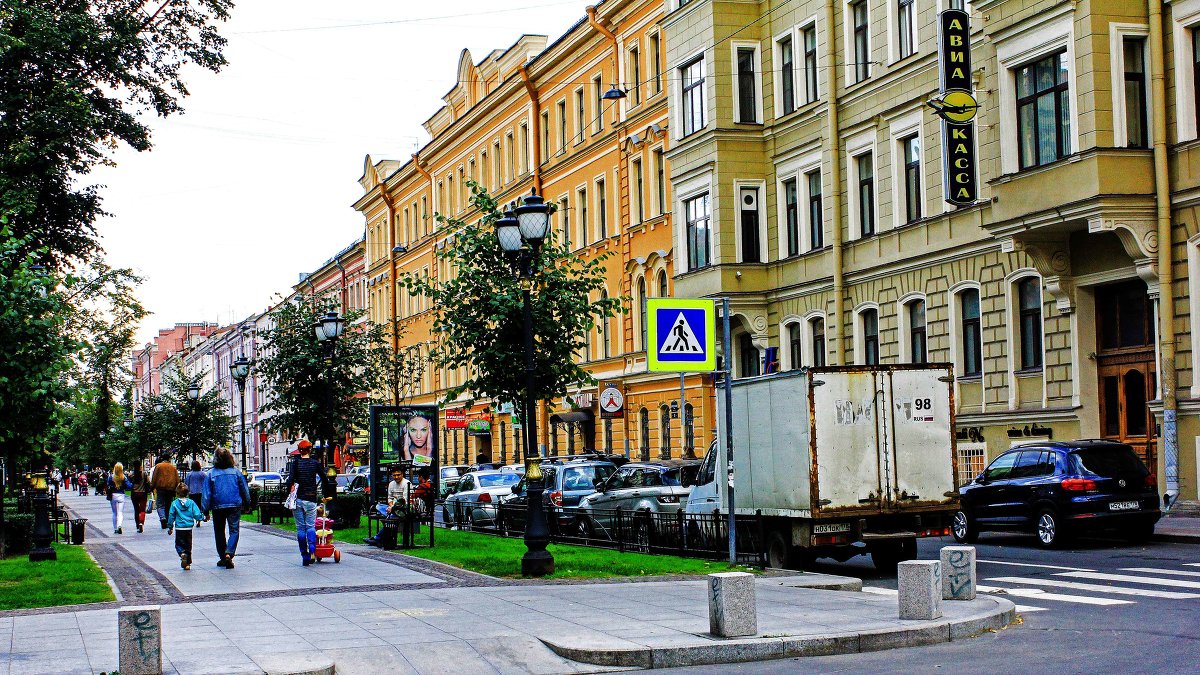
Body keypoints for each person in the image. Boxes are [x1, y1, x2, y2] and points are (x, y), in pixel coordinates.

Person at [203, 449, 250, 569]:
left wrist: (205, 509)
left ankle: (223, 557)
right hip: (234, 504)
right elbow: (244, 489)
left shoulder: (211, 473)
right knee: (234, 530)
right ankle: (229, 552)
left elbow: (207, 494)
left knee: (219, 531)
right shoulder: (236, 472)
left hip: (218, 505)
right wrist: (247, 503)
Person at [283, 440, 325, 566]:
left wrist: (288, 491)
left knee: (301, 528)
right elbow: (324, 478)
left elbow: (290, 480)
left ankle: (304, 555)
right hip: (311, 498)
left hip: (298, 499)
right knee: (311, 526)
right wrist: (325, 492)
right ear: (310, 450)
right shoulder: (314, 463)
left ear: (299, 450)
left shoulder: (295, 463)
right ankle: (312, 549)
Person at [363, 467, 411, 547]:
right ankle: (389, 516)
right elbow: (390, 498)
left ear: (402, 474)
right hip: (392, 508)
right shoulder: (391, 484)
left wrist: (392, 508)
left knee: (391, 518)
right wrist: (391, 507)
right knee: (379, 506)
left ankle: (377, 538)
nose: (396, 477)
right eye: (394, 475)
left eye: (398, 475)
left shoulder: (406, 483)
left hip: (402, 509)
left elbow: (405, 501)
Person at [167, 483, 205, 570]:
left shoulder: (174, 503)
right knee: (188, 545)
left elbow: (171, 515)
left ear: (177, 493)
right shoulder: (191, 503)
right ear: (187, 493)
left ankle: (182, 554)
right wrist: (202, 518)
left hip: (179, 527)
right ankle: (188, 563)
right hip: (188, 527)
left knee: (179, 544)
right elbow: (196, 514)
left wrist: (170, 526)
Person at [150, 455, 180, 529]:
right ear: (169, 459)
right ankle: (167, 521)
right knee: (168, 505)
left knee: (160, 505)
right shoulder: (173, 467)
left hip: (160, 488)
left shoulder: (158, 466)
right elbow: (177, 479)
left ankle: (163, 518)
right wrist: (177, 489)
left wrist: (152, 487)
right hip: (170, 489)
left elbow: (154, 477)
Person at [107, 463, 133, 534]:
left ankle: (115, 528)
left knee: (114, 513)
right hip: (121, 495)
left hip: (113, 495)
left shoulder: (111, 477)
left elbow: (108, 486)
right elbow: (129, 486)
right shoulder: (123, 477)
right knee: (120, 512)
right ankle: (119, 525)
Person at [184, 460, 208, 526]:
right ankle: (202, 516)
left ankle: (198, 519)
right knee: (201, 506)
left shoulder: (190, 474)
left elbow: (186, 483)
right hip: (201, 492)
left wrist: (187, 491)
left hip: (192, 493)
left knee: (195, 507)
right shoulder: (202, 474)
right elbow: (207, 482)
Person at [130, 466, 150, 533]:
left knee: (136, 510)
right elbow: (148, 482)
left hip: (134, 494)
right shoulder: (144, 474)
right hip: (143, 493)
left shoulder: (131, 474)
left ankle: (137, 525)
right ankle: (141, 522)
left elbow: (129, 484)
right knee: (142, 509)